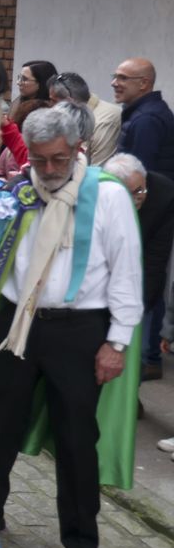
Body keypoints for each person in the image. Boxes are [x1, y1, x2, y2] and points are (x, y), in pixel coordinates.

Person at [0, 104, 140, 548]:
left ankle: (81, 544)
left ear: (79, 149)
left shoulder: (107, 196)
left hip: (80, 331)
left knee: (78, 441)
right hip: (18, 325)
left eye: (60, 159)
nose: (51, 171)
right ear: (29, 155)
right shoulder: (19, 189)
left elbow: (127, 271)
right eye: (41, 161)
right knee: (2, 426)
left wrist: (117, 342)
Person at [102, 153, 174, 385]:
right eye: (127, 193)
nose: (135, 199)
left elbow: (156, 259)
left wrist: (138, 306)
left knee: (136, 348)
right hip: (103, 280)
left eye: (140, 191)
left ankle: (130, 396)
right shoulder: (101, 194)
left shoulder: (163, 194)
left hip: (143, 277)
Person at [114, 57, 174, 180]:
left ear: (143, 84)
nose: (114, 83)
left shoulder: (146, 120)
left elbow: (140, 175)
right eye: (114, 77)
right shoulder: (144, 113)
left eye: (123, 78)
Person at [49, 72, 122, 165]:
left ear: (69, 100)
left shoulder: (104, 121)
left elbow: (99, 169)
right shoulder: (70, 117)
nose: (51, 106)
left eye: (53, 101)